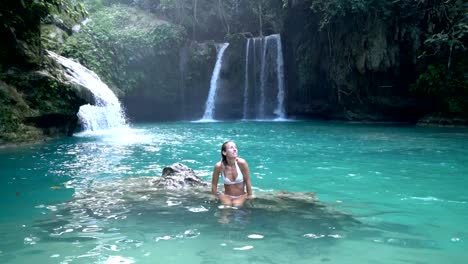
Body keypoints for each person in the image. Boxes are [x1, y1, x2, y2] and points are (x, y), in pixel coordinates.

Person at [211, 141, 253, 207]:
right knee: (226, 206)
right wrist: (214, 195)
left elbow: (248, 181)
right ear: (224, 152)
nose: (235, 149)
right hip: (226, 196)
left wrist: (250, 195)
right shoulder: (219, 166)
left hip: (241, 195)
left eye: (235, 147)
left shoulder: (242, 163)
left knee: (237, 205)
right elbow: (214, 184)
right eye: (231, 147)